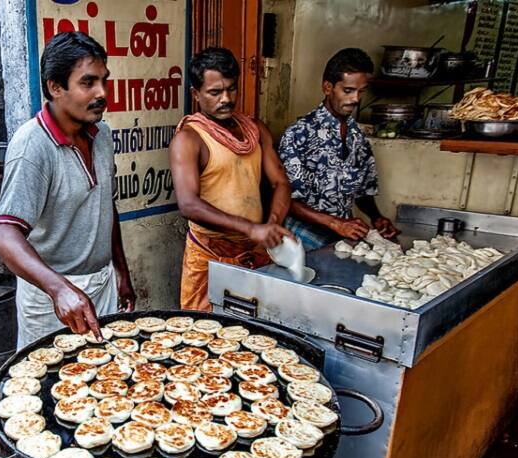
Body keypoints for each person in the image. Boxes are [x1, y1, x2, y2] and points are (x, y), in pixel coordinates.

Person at [0, 32, 135, 348]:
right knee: (52, 387)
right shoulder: (31, 146)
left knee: (108, 382)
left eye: (103, 80)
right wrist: (59, 289)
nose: (101, 93)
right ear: (55, 87)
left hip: (103, 282)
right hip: (51, 297)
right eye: (88, 83)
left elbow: (104, 206)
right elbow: (6, 237)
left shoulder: (102, 135)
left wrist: (121, 271)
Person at [169, 47, 293, 311]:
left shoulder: (256, 130)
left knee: (257, 335)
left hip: (254, 252)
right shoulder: (189, 139)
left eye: (231, 89)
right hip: (209, 256)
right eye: (215, 92)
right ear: (196, 94)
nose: (226, 98)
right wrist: (250, 227)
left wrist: (270, 226)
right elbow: (188, 205)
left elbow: (280, 183)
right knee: (202, 338)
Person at [279, 48, 400, 251]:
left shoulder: (357, 137)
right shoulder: (299, 134)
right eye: (348, 90)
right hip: (302, 237)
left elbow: (362, 192)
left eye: (361, 91)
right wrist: (335, 223)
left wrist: (377, 218)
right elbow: (286, 201)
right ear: (328, 87)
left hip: (342, 236)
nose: (356, 99)